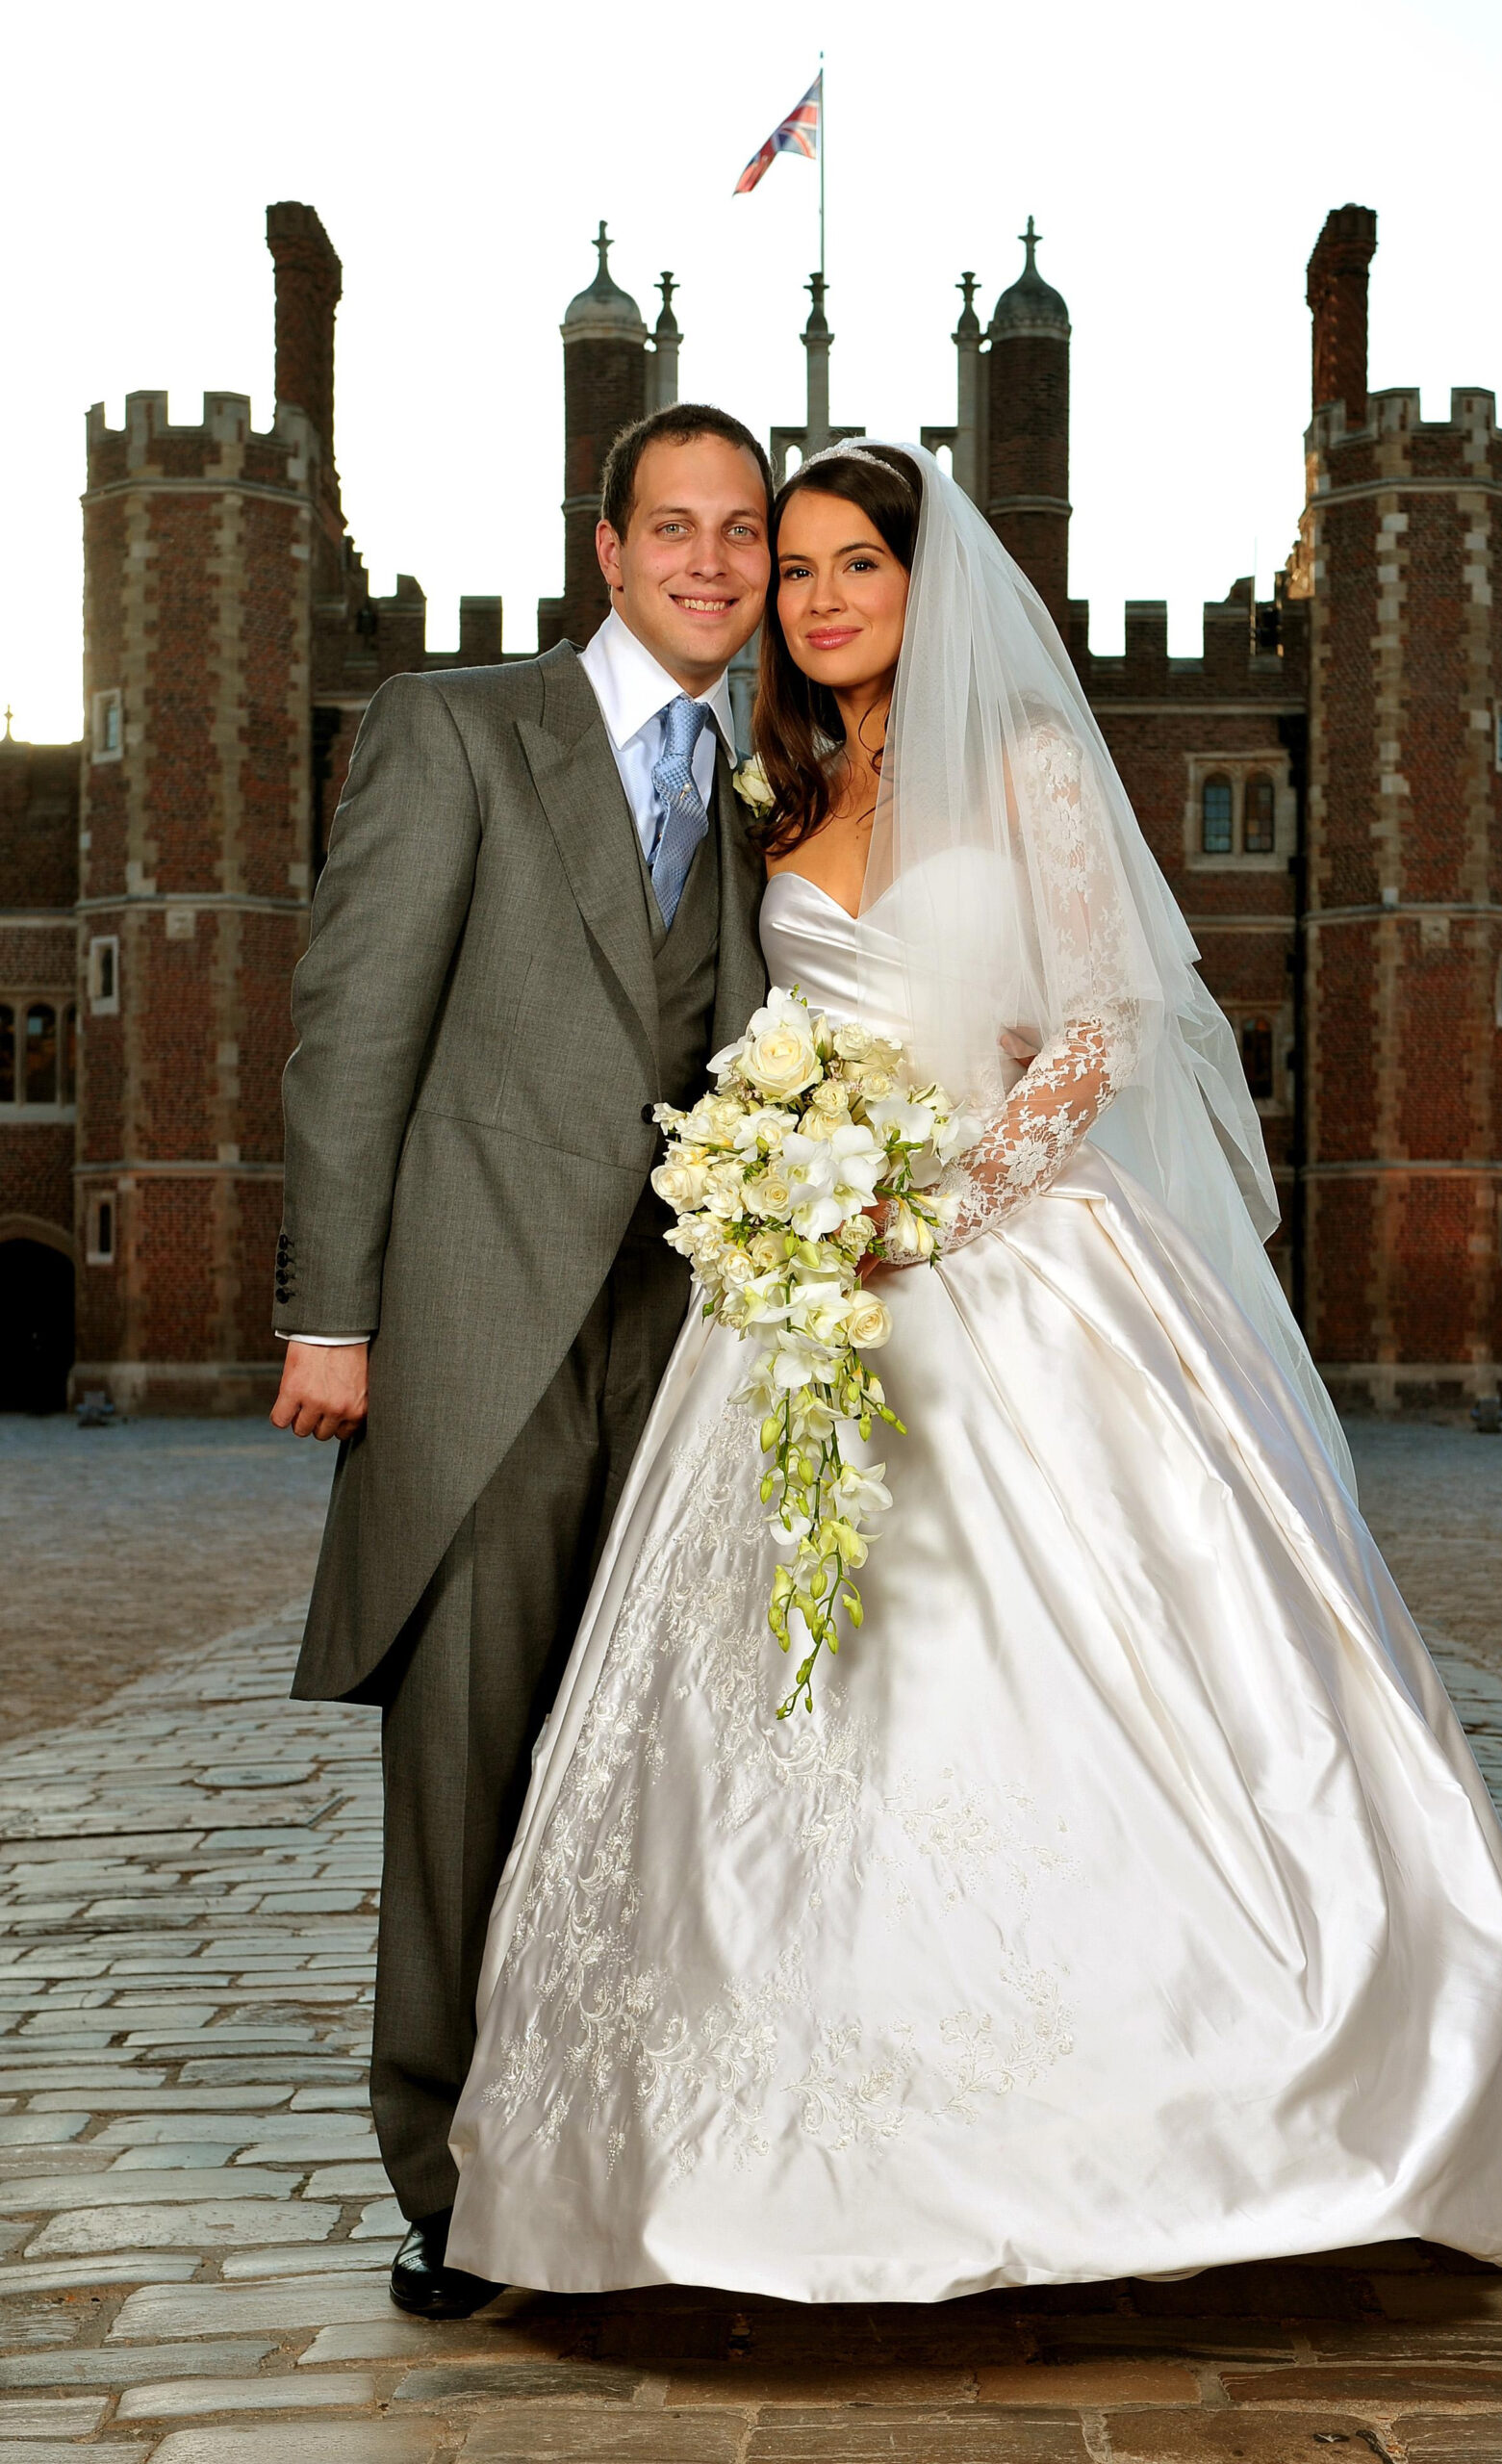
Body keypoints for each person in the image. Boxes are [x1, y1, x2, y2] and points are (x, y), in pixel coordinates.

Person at [447, 442, 1502, 2302]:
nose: (817, 601)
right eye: (792, 572)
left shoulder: (1031, 767)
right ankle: (743, 2162)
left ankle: (1234, 2128)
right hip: (799, 1300)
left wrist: (938, 1207)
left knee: (1106, 1682)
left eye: (853, 567)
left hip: (1014, 1270)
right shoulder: (777, 788)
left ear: (933, 581)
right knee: (767, 1726)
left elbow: (1096, 1030)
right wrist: (780, 1184)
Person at [269, 404, 772, 2317]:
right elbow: (352, 1026)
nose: (714, 563)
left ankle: (606, 2153)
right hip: (478, 1345)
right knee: (468, 1771)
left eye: (742, 531)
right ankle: (448, 2175)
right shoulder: (461, 724)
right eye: (678, 528)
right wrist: (336, 1309)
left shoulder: (759, 783)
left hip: (684, 1354)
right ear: (608, 545)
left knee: (641, 1773)